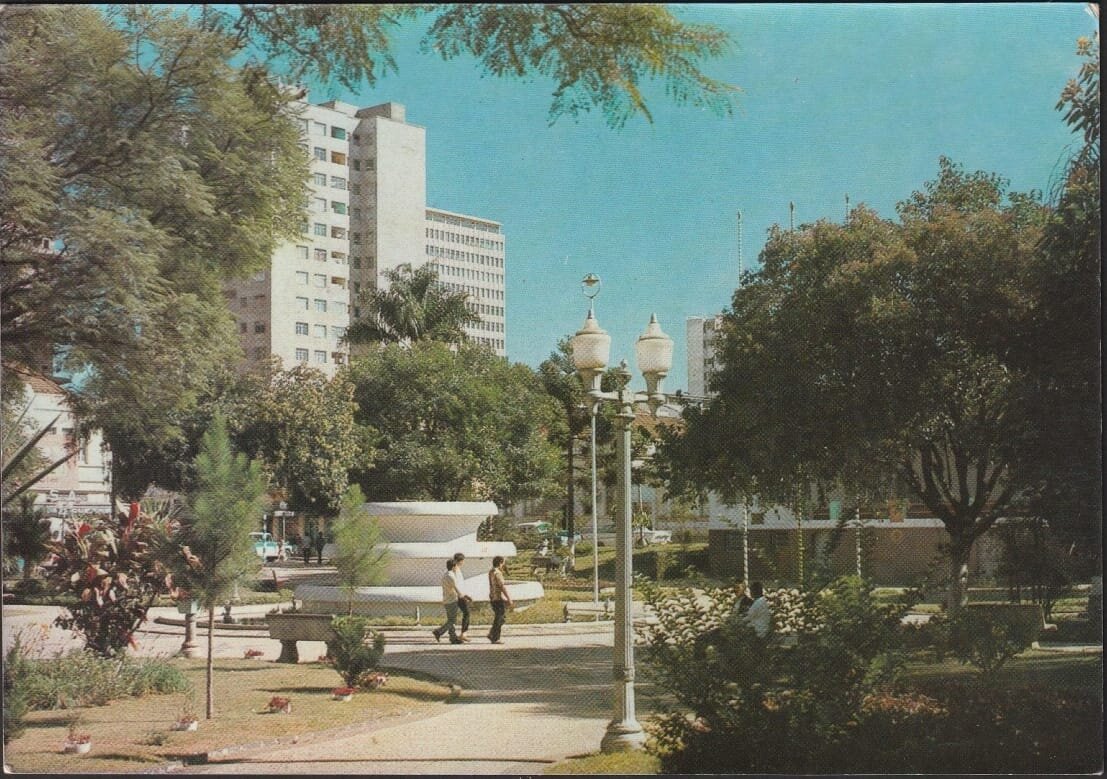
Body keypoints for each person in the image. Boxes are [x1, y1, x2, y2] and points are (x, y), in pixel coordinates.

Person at [432, 559, 464, 645]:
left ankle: (453, 638)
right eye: (456, 566)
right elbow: (456, 587)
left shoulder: (445, 575)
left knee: (450, 619)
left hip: (446, 599)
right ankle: (438, 631)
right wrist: (461, 596)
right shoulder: (451, 576)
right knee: (452, 620)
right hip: (452, 600)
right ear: (454, 566)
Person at [487, 555, 513, 644]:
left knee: (500, 617)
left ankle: (492, 633)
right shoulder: (497, 573)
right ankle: (495, 637)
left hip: (493, 597)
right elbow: (502, 586)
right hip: (497, 597)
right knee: (500, 618)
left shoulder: (491, 571)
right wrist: (509, 598)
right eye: (503, 562)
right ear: (500, 563)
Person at [451, 552, 473, 642]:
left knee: (464, 613)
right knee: (466, 612)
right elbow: (455, 584)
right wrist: (461, 595)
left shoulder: (458, 569)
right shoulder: (455, 569)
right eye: (462, 561)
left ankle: (462, 634)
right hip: (458, 596)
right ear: (458, 561)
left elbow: (460, 584)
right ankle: (463, 634)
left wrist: (465, 595)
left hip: (461, 595)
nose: (462, 562)